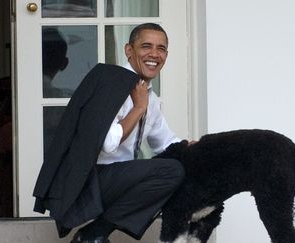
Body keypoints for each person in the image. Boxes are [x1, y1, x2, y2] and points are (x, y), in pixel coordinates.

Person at [33, 23, 185, 243]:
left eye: (161, 48)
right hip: (89, 181)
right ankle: (95, 233)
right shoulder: (110, 83)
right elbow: (108, 143)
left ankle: (94, 234)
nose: (154, 54)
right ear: (128, 50)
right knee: (170, 171)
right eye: (146, 46)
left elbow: (167, 142)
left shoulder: (148, 96)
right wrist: (138, 109)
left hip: (115, 179)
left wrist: (199, 149)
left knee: (180, 167)